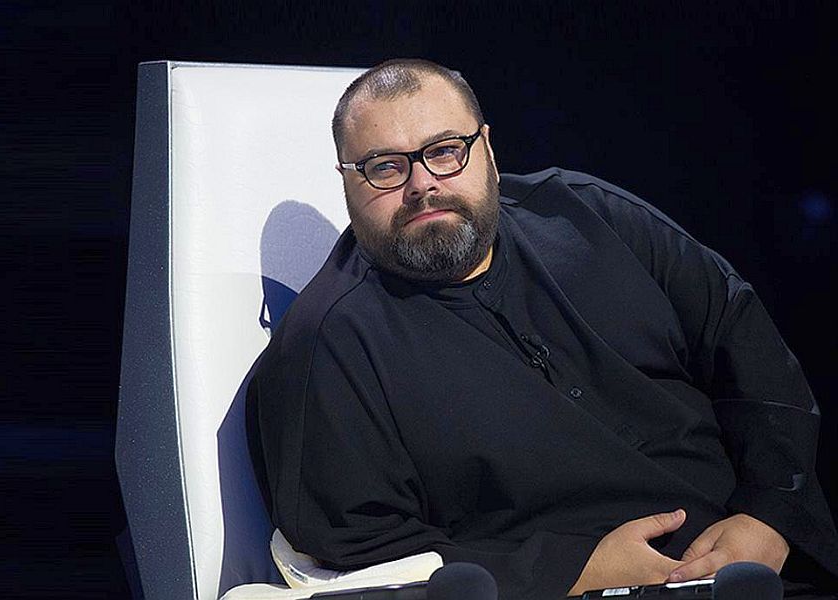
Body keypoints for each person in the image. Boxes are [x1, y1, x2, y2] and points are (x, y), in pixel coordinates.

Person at [246, 58, 838, 599]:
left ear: (487, 148)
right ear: (346, 180)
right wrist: (572, 571)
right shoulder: (327, 346)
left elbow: (745, 343)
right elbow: (352, 543)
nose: (422, 183)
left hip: (758, 566)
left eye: (446, 151)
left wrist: (772, 514)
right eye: (385, 167)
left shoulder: (588, 214)